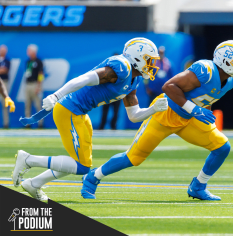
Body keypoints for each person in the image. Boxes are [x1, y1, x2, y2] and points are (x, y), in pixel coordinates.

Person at [80, 40, 233, 200]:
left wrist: (204, 113)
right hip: (165, 114)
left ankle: (198, 186)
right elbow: (169, 86)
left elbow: (205, 98)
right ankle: (93, 177)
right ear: (226, 61)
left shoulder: (230, 82)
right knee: (133, 158)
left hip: (188, 119)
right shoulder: (205, 70)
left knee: (222, 147)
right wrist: (194, 110)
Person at [12, 38, 168, 200]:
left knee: (79, 163)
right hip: (69, 109)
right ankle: (29, 160)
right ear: (137, 57)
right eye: (149, 60)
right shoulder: (122, 67)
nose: (153, 65)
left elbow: (134, 115)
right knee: (82, 166)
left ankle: (34, 183)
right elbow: (84, 78)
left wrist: (153, 109)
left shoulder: (134, 80)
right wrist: (56, 95)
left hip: (80, 113)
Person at [99, 53, 123, 130]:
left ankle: (113, 126)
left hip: (117, 94)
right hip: (108, 93)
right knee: (105, 111)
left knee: (116, 111)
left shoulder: (123, 70)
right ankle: (102, 126)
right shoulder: (107, 68)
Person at [24, 44, 44, 128]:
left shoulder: (38, 61)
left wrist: (39, 86)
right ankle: (28, 124)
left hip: (35, 84)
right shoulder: (28, 61)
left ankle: (40, 124)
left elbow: (40, 74)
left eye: (29, 50)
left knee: (38, 105)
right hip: (28, 84)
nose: (27, 52)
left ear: (33, 51)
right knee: (27, 105)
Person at [0, 45, 13, 128]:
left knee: (5, 103)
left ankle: (6, 123)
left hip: (4, 83)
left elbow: (5, 70)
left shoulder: (7, 61)